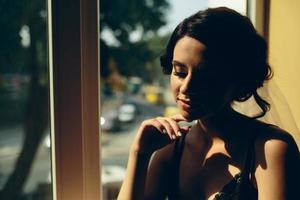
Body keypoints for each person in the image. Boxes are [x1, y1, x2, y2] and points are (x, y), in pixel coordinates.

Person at [117, 7, 299, 200]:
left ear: (238, 79)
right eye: (179, 72)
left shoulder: (271, 149)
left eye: (205, 77)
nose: (186, 88)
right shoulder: (171, 151)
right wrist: (139, 154)